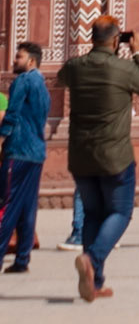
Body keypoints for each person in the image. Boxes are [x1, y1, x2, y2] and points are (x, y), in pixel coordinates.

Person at [58, 17, 139, 301]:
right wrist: (138, 53)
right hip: (115, 156)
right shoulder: (123, 68)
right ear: (117, 41)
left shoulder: (75, 67)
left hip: (81, 156)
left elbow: (61, 77)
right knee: (120, 213)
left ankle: (95, 281)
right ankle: (92, 259)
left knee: (92, 214)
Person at [0, 42, 48, 274]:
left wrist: (1, 138)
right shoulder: (42, 84)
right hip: (36, 153)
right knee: (27, 208)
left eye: (18, 57)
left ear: (31, 61)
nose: (14, 61)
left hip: (18, 150)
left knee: (7, 205)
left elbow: (13, 113)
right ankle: (22, 260)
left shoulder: (22, 82)